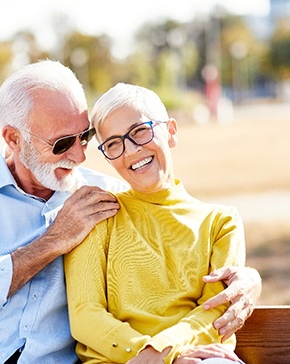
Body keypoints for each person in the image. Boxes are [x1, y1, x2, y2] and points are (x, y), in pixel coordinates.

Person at [0, 61, 260, 364]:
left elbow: (167, 211)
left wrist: (249, 279)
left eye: (85, 137)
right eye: (61, 143)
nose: (79, 156)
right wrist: (53, 241)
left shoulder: (106, 196)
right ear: (13, 139)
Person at [64, 83, 250, 363]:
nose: (131, 150)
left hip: (198, 357)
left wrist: (161, 352)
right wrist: (156, 357)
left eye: (140, 131)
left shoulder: (221, 222)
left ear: (171, 132)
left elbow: (215, 309)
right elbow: (84, 314)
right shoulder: (96, 215)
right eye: (114, 143)